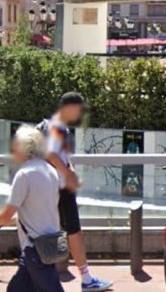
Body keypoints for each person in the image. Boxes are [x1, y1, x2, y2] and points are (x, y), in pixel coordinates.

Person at [0, 125, 63, 292]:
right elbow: (41, 207)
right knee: (17, 288)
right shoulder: (50, 170)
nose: (12, 149)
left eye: (15, 145)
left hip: (35, 247)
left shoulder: (25, 174)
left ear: (24, 148)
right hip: (49, 242)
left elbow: (8, 212)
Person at [39, 92, 112, 291]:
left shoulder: (58, 125)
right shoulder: (57, 126)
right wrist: (67, 174)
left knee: (57, 232)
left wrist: (69, 169)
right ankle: (86, 279)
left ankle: (42, 275)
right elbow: (51, 153)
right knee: (74, 232)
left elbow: (60, 155)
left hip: (56, 187)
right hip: (60, 188)